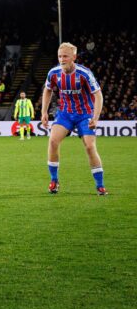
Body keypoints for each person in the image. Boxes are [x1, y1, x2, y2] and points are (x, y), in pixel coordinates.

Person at [42, 43, 107, 196]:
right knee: (52, 141)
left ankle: (100, 185)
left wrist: (95, 117)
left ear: (74, 57)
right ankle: (54, 180)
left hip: (85, 115)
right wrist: (44, 111)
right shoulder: (54, 73)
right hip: (65, 114)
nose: (62, 59)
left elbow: (98, 95)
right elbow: (47, 89)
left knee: (90, 147)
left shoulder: (84, 73)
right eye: (59, 56)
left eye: (65, 56)